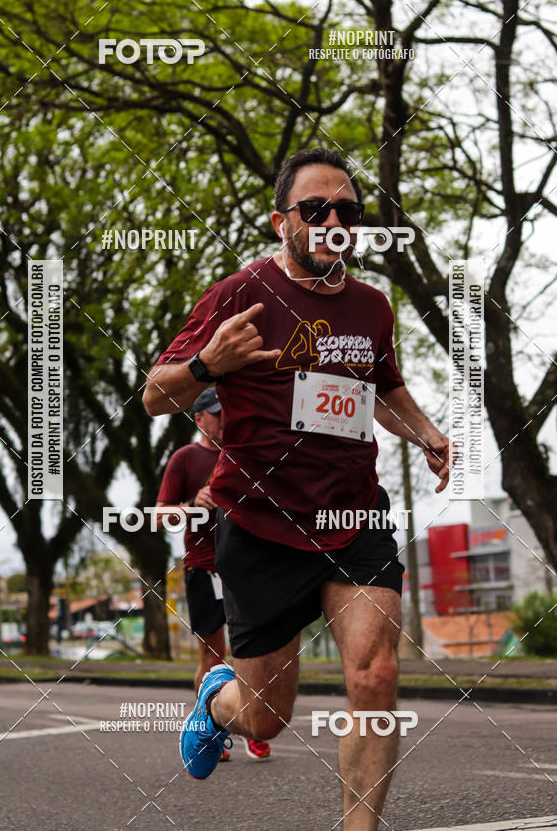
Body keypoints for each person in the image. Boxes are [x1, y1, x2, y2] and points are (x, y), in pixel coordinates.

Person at [143, 147, 451, 829]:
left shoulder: (372, 308)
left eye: (347, 210)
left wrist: (427, 433)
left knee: (375, 678)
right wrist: (205, 364)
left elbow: (384, 388)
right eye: (316, 209)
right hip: (258, 526)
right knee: (268, 716)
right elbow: (154, 395)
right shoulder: (240, 294)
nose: (333, 220)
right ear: (282, 221)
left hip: (353, 517)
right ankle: (220, 703)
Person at [156, 386, 270, 762]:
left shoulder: (239, 453)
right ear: (199, 418)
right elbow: (160, 515)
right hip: (203, 566)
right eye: (217, 414)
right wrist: (191, 505)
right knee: (212, 654)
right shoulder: (185, 458)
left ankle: (254, 727)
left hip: (243, 567)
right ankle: (208, 728)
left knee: (251, 650)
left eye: (228, 412)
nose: (225, 420)